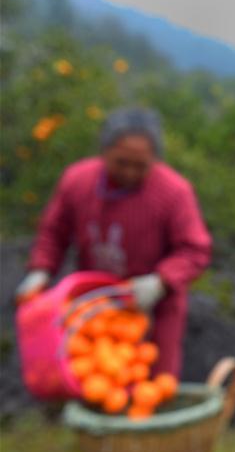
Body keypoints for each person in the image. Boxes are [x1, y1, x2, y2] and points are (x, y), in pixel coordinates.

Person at [15, 107, 212, 378]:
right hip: (95, 302)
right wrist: (41, 270)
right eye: (121, 163)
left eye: (140, 166)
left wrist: (161, 281)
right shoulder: (77, 181)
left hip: (154, 303)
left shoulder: (174, 193)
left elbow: (195, 249)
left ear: (154, 159)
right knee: (93, 374)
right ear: (104, 151)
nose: (130, 172)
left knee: (152, 382)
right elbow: (53, 232)